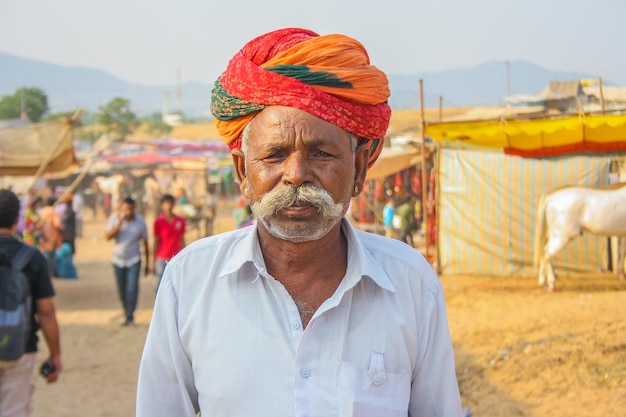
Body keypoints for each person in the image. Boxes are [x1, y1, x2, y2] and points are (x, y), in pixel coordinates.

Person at [137, 28, 463, 416]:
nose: (296, 174)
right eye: (274, 155)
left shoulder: (411, 284)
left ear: (359, 168)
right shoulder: (189, 283)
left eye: (321, 153)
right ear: (242, 172)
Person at [0, 189, 62, 416]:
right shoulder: (32, 258)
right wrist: (55, 355)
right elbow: (46, 313)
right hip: (20, 348)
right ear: (18, 217)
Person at [105, 197, 149, 326]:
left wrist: (147, 263)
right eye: (125, 209)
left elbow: (145, 242)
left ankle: (130, 316)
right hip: (118, 260)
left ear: (134, 208)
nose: (127, 212)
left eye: (130, 209)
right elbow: (107, 236)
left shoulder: (140, 222)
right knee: (122, 288)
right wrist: (118, 225)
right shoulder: (114, 219)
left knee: (132, 289)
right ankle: (125, 311)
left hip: (134, 259)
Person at [151, 194, 185, 293]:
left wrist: (185, 255)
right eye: (166, 204)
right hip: (162, 257)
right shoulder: (158, 222)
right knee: (161, 284)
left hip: (176, 256)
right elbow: (156, 242)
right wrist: (153, 261)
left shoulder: (180, 221)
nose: (168, 206)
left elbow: (182, 239)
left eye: (170, 204)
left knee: (176, 284)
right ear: (162, 205)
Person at [35, 197, 63, 277]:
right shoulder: (53, 212)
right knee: (52, 257)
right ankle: (49, 274)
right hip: (52, 237)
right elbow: (57, 224)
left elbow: (38, 225)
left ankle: (44, 273)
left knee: (44, 255)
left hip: (43, 237)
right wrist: (61, 231)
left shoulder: (42, 211)